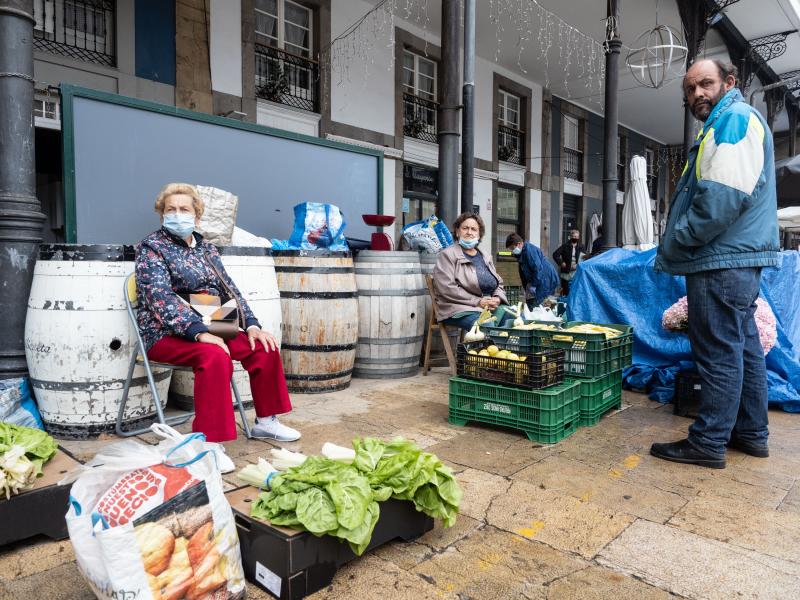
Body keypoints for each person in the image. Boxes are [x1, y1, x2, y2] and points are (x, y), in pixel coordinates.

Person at [652, 59, 779, 469]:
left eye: (704, 84)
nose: (696, 95)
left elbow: (721, 198)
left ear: (729, 82)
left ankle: (708, 441)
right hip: (734, 258)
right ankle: (750, 433)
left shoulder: (734, 120)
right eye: (689, 90)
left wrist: (681, 238)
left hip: (718, 259)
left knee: (719, 353)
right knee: (742, 349)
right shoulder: (731, 121)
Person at [136, 183, 301, 443]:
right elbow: (159, 298)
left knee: (263, 347)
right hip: (163, 331)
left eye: (184, 209)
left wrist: (252, 325)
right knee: (214, 355)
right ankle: (210, 441)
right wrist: (199, 333)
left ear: (196, 216)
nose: (177, 214)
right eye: (171, 209)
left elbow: (229, 292)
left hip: (211, 316)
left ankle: (267, 422)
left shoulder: (206, 249)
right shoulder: (152, 247)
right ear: (162, 214)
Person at [433, 212, 508, 331]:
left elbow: (498, 283)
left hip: (486, 306)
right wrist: (478, 301)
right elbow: (447, 288)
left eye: (474, 229)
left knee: (513, 319)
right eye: (465, 228)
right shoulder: (447, 255)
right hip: (458, 307)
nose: (469, 232)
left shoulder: (485, 256)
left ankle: (504, 349)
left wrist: (497, 298)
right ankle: (487, 349)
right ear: (457, 232)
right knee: (486, 324)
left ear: (479, 234)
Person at [505, 233, 558, 308]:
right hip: (539, 279)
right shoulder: (522, 252)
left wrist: (533, 285)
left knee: (537, 304)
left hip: (545, 279)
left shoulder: (529, 251)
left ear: (519, 244)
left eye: (512, 248)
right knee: (533, 303)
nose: (512, 251)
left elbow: (538, 269)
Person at [552, 230, 586, 296]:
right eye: (573, 236)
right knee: (566, 291)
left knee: (575, 292)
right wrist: (561, 263)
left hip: (576, 271)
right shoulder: (565, 246)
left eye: (576, 236)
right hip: (566, 272)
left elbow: (584, 258)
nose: (574, 238)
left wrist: (578, 265)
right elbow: (555, 255)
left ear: (578, 237)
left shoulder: (582, 247)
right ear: (570, 237)